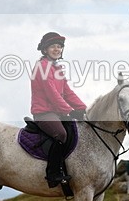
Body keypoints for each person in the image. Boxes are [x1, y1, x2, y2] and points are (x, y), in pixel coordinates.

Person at [31, 31, 87, 188]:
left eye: (59, 47)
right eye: (53, 46)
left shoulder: (57, 69)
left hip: (58, 112)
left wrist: (83, 108)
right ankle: (53, 174)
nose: (57, 49)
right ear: (45, 49)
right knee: (61, 134)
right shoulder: (41, 67)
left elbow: (67, 92)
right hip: (43, 113)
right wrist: (69, 110)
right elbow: (51, 94)